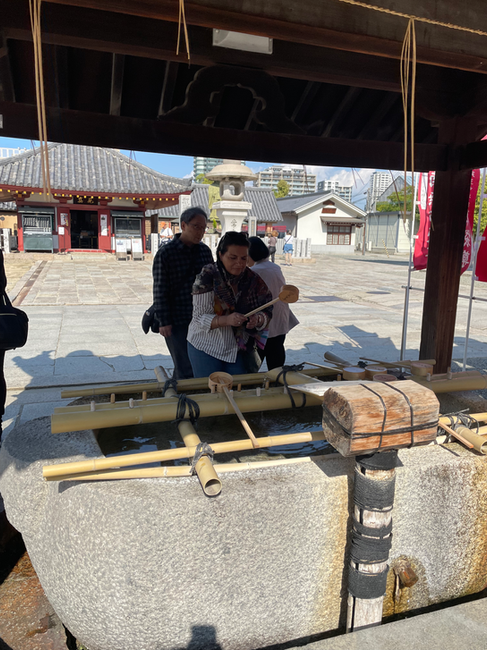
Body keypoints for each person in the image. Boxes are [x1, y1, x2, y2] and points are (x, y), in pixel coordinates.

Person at [187, 231, 273, 378]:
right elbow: (199, 318)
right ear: (221, 255)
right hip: (206, 345)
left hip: (238, 347)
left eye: (244, 258)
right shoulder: (208, 276)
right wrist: (227, 320)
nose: (239, 263)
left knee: (237, 390)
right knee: (212, 393)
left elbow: (268, 308)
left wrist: (258, 319)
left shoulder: (252, 279)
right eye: (232, 257)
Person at [152, 207, 213, 379]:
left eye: (203, 228)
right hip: (177, 319)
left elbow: (213, 282)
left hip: (202, 317)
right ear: (183, 225)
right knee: (184, 364)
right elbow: (160, 290)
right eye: (196, 227)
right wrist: (164, 321)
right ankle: (180, 399)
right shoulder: (166, 253)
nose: (200, 232)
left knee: (200, 360)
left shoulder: (204, 251)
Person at [247, 237, 299, 370]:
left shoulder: (255, 271)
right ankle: (278, 382)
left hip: (264, 320)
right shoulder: (275, 267)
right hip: (280, 317)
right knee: (276, 355)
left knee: (255, 358)